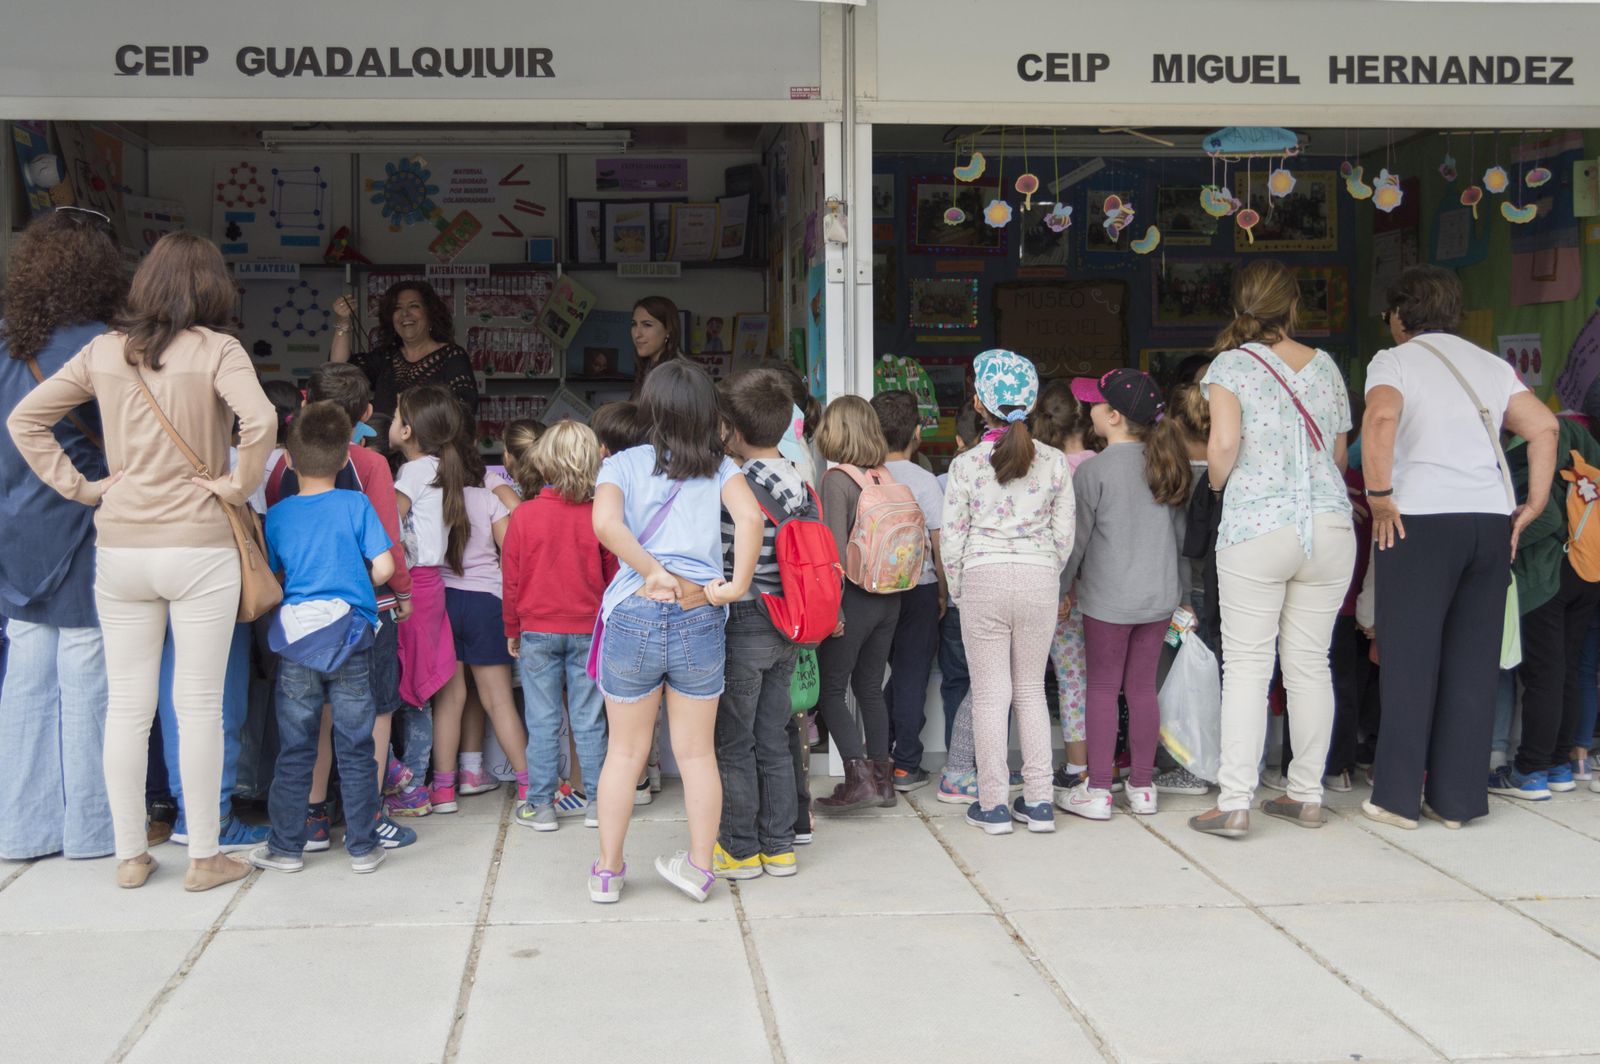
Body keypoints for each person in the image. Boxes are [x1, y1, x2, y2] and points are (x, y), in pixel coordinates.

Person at [9, 231, 276, 891]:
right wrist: (237, 486)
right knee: (199, 703)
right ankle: (205, 855)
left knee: (127, 705)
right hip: (198, 547)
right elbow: (262, 422)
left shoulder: (103, 351)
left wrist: (86, 488)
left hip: (121, 548)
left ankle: (130, 854)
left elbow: (25, 422)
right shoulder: (219, 350)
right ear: (210, 285)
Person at [1362, 264, 1557, 829]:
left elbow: (1380, 416)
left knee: (1410, 660)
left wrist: (1379, 496)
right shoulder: (1491, 365)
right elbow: (1543, 427)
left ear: (1401, 315)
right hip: (1491, 521)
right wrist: (1534, 504)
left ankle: (1397, 798)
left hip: (1417, 520)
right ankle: (1459, 801)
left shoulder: (1395, 360)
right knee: (1474, 665)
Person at [1186, 260, 1357, 839]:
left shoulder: (1230, 365)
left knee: (1248, 667)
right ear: (1293, 307)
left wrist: (1214, 487)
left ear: (1241, 306)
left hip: (1259, 526)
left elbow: (1225, 442)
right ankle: (1305, 795)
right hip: (1331, 529)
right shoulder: (1328, 367)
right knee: (1312, 664)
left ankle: (1234, 801)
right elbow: (1337, 457)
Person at [589, 359, 762, 904]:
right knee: (695, 755)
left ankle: (609, 873)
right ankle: (698, 868)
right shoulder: (723, 467)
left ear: (652, 408)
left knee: (624, 753)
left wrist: (651, 571)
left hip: (636, 610)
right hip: (699, 613)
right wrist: (733, 587)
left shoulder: (622, 464)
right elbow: (753, 520)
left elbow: (606, 525)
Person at [0, 208, 123, 862]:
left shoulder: (6, 340)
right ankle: (91, 831)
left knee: (24, 673)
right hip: (82, 522)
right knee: (86, 672)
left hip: (13, 528)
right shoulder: (100, 345)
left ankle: (21, 828)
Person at [248, 402, 395, 875]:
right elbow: (387, 567)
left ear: (287, 460)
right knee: (356, 745)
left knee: (296, 747)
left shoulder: (279, 514)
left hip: (296, 642)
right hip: (351, 636)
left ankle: (286, 848)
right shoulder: (357, 504)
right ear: (342, 460)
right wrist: (353, 581)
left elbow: (274, 576)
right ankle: (363, 847)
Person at [277, 363, 416, 850]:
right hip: (365, 611)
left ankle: (313, 818)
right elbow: (389, 544)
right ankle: (368, 817)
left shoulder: (282, 464)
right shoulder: (369, 464)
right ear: (367, 413)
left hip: (297, 614)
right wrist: (402, 595)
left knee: (311, 716)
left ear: (305, 398)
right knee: (375, 713)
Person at [942, 350, 1073, 834]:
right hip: (1039, 578)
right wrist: (1045, 573)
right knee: (1032, 692)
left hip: (983, 578)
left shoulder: (966, 464)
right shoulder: (1056, 463)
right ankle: (1039, 802)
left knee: (991, 696)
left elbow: (953, 537)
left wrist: (959, 590)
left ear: (979, 404)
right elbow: (1064, 535)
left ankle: (994, 804)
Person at [1060, 369, 1192, 822]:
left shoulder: (1093, 472)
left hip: (1108, 601)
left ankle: (1097, 790)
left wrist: (1061, 590)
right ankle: (1143, 786)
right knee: (1141, 690)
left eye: (1096, 404)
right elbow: (1179, 541)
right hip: (1159, 597)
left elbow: (1076, 544)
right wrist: (1184, 594)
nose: (1089, 410)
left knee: (1101, 687)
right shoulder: (1167, 465)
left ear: (1113, 416)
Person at [394, 386, 529, 813]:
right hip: (487, 604)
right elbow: (513, 552)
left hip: (443, 601)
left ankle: (444, 789)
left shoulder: (428, 485)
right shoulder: (488, 493)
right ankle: (530, 787)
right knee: (498, 699)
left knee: (448, 700)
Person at [710, 369, 810, 879]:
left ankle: (740, 848)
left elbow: (725, 555)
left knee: (734, 740)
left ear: (730, 427)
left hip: (745, 615)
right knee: (774, 735)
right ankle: (780, 846)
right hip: (787, 621)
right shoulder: (797, 477)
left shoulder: (736, 483)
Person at [505, 420, 616, 832]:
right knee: (589, 719)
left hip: (536, 629)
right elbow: (612, 577)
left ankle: (541, 805)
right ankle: (598, 805)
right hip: (589, 630)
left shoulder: (524, 516)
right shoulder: (600, 517)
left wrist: (512, 628)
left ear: (543, 462)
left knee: (542, 719)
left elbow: (512, 580)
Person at [811, 396, 906, 814]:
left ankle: (857, 778)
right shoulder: (883, 475)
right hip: (890, 597)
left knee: (830, 690)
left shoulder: (837, 480)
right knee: (869, 687)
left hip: (853, 598)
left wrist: (833, 611)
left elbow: (832, 550)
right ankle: (883, 781)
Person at [1498, 415, 1600, 801]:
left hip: (1545, 579)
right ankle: (1559, 765)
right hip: (1585, 573)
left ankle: (1529, 771)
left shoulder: (1531, 455)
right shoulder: (1583, 457)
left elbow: (1545, 517)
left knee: (1543, 676)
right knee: (1568, 671)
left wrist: (1505, 539)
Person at [387, 385, 468, 814]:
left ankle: (407, 781)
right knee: (418, 686)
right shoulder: (438, 468)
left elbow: (388, 522)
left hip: (411, 585)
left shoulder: (414, 472)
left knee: (407, 689)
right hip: (430, 585)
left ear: (408, 428)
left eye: (395, 414)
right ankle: (411, 782)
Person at [872, 389, 946, 792]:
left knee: (876, 677)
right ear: (917, 433)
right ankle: (905, 765)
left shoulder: (864, 476)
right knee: (912, 672)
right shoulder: (924, 481)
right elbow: (939, 541)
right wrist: (944, 592)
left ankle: (875, 754)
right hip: (920, 588)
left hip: (874, 591)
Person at [1028, 379, 1099, 798]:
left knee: (1038, 679)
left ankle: (1050, 767)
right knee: (1088, 681)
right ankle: (1087, 762)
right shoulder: (1098, 464)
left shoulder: (1039, 465)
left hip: (1052, 588)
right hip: (1097, 589)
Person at [331, 281, 476, 418]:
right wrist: (343, 320)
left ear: (430, 314)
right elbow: (340, 371)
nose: (405, 313)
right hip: (379, 444)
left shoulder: (452, 356)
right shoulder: (386, 357)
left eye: (414, 306)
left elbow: (465, 406)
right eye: (398, 308)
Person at [628, 296, 686, 401]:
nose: (637, 334)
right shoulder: (647, 366)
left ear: (668, 330)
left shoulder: (678, 374)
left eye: (647, 325)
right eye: (634, 324)